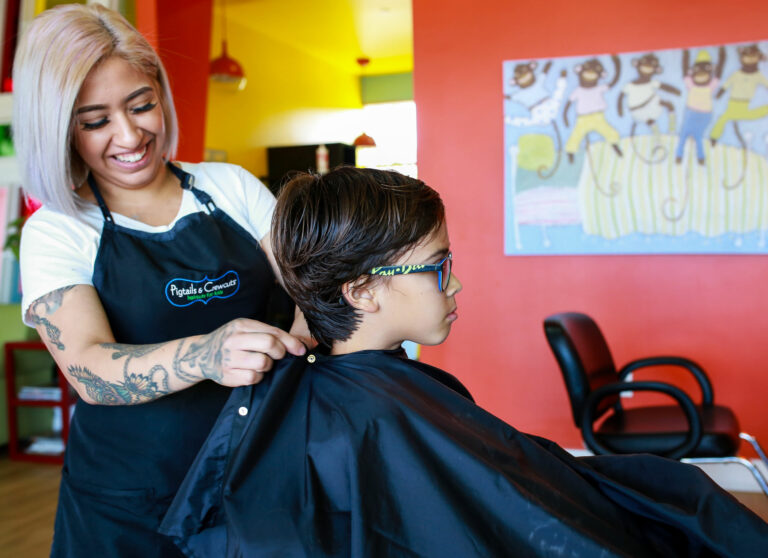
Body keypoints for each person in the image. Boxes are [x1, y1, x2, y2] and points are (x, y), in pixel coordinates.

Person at [160, 167, 767, 557]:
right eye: (438, 267)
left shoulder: (372, 395)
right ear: (363, 291)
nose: (455, 286)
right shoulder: (367, 416)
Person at [12, 4, 307, 557]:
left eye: (141, 105)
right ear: (57, 127)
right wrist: (206, 355)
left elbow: (307, 292)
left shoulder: (232, 188)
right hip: (127, 507)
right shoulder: (57, 231)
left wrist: (306, 333)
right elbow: (90, 371)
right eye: (95, 120)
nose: (129, 135)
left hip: (258, 479)